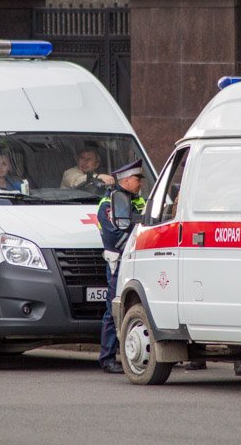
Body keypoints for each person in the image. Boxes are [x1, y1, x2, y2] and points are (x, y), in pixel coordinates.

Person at [95, 158, 146, 374]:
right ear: (125, 181)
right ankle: (107, 358)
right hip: (119, 262)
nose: (140, 183)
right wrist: (140, 240)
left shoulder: (136, 201)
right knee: (112, 311)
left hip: (138, 259)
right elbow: (115, 235)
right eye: (137, 179)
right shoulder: (108, 204)